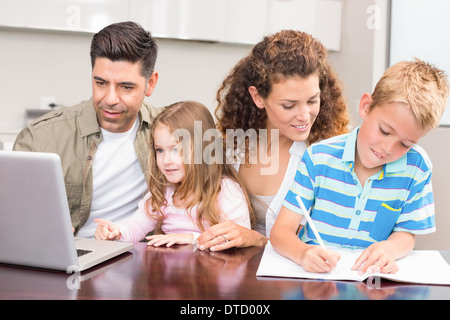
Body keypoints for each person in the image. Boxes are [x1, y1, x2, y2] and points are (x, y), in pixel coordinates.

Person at [271, 59, 449, 275]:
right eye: (384, 130)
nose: (388, 148)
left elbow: (406, 234)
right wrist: (302, 253)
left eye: (405, 144)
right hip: (313, 277)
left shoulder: (417, 168)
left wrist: (389, 249)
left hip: (369, 281)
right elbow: (281, 232)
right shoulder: (319, 157)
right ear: (366, 106)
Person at [196, 30, 349, 251]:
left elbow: (322, 246)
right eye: (289, 105)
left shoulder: (327, 157)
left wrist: (257, 241)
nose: (305, 116)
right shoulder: (232, 148)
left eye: (312, 101)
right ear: (258, 97)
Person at [13, 21, 160, 237]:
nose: (110, 99)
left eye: (126, 87)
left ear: (151, 84)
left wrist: (229, 227)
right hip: (71, 258)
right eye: (100, 83)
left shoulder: (175, 130)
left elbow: (215, 191)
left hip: (140, 259)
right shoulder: (39, 138)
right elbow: (12, 214)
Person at [94, 101, 254, 246]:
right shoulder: (164, 192)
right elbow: (135, 227)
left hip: (210, 275)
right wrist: (115, 232)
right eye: (160, 150)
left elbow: (237, 240)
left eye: (176, 149)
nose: (166, 160)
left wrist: (192, 239)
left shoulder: (226, 191)